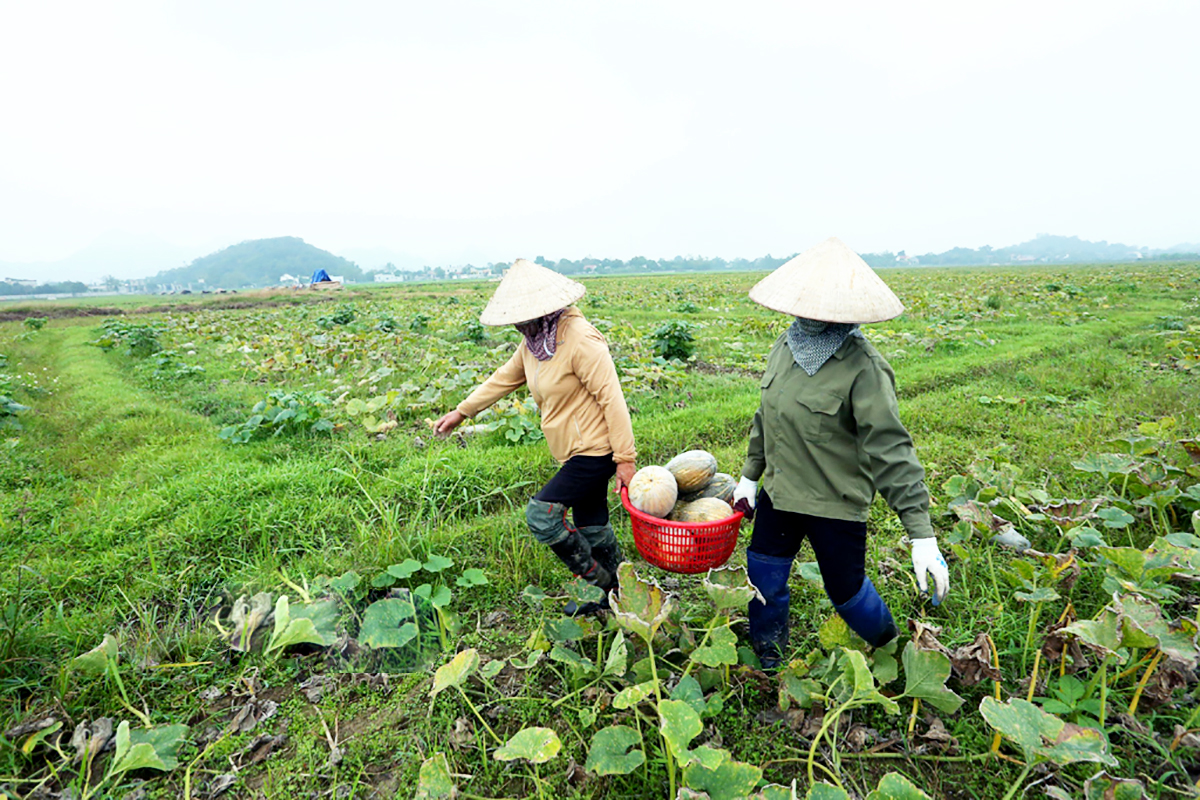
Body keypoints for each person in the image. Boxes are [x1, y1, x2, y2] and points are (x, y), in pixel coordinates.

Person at [730, 238, 950, 670]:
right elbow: (766, 417)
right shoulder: (785, 347)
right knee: (763, 579)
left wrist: (921, 535)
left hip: (834, 501)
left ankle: (892, 649)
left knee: (846, 593)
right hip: (780, 492)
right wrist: (750, 477)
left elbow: (891, 450)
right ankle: (768, 658)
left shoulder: (863, 368)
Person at [433, 259, 637, 615]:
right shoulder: (535, 342)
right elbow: (503, 378)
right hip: (572, 451)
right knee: (592, 525)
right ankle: (623, 595)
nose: (517, 324)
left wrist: (625, 459)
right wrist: (462, 411)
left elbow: (612, 399)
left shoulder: (580, 339)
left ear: (544, 309)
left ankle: (602, 584)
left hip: (594, 451)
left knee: (541, 515)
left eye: (522, 317)